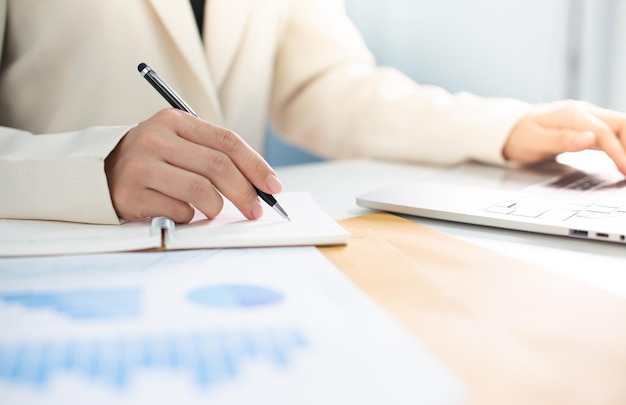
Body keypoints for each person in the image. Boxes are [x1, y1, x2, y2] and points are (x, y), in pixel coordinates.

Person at [1, 0, 625, 225]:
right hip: (52, 261)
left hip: (230, 251)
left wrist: (504, 128)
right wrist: (95, 167)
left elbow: (324, 86)